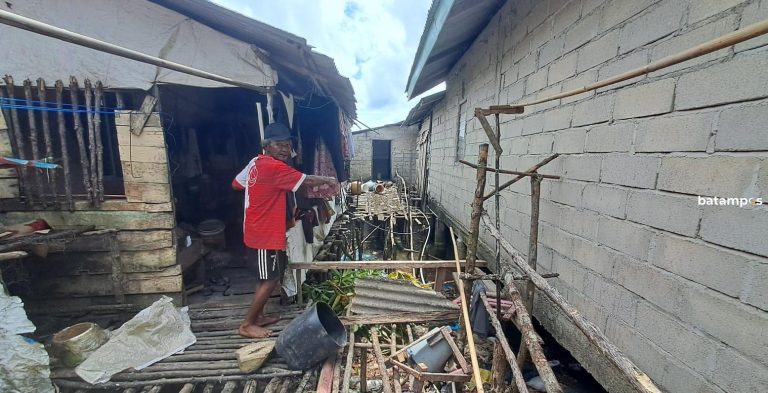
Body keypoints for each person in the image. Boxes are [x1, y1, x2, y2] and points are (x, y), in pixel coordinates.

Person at [232, 122, 337, 338]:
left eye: (287, 146)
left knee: (267, 275)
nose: (284, 150)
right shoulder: (274, 167)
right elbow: (306, 181)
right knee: (270, 279)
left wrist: (260, 187)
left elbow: (237, 184)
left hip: (262, 228)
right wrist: (328, 179)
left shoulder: (255, 163)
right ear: (267, 146)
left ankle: (258, 316)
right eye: (279, 145)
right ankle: (247, 324)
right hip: (264, 232)